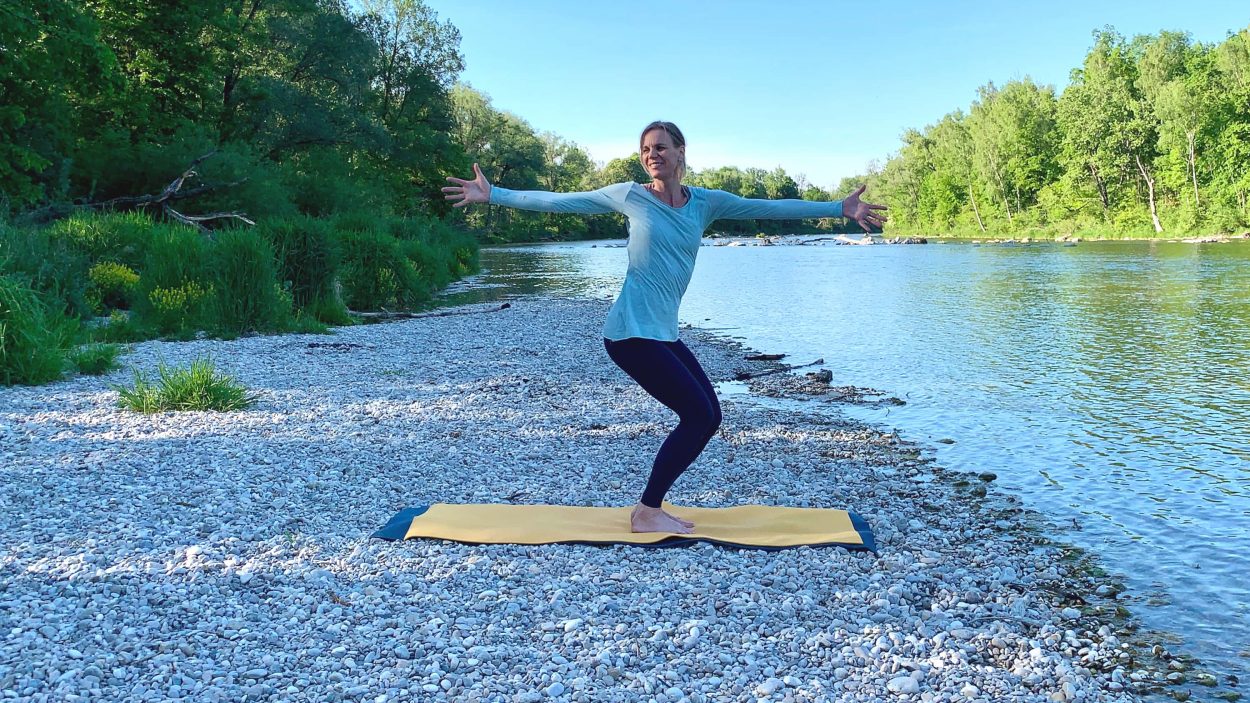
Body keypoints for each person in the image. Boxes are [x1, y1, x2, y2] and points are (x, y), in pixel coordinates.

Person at [443, 121, 887, 534]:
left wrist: (838, 208)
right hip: (629, 334)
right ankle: (647, 511)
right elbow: (559, 201)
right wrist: (494, 194)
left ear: (680, 153)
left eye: (660, 148)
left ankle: (649, 508)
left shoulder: (706, 203)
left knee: (709, 415)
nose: (652, 155)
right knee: (698, 416)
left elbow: (769, 205)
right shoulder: (630, 196)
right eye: (645, 150)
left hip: (663, 334)